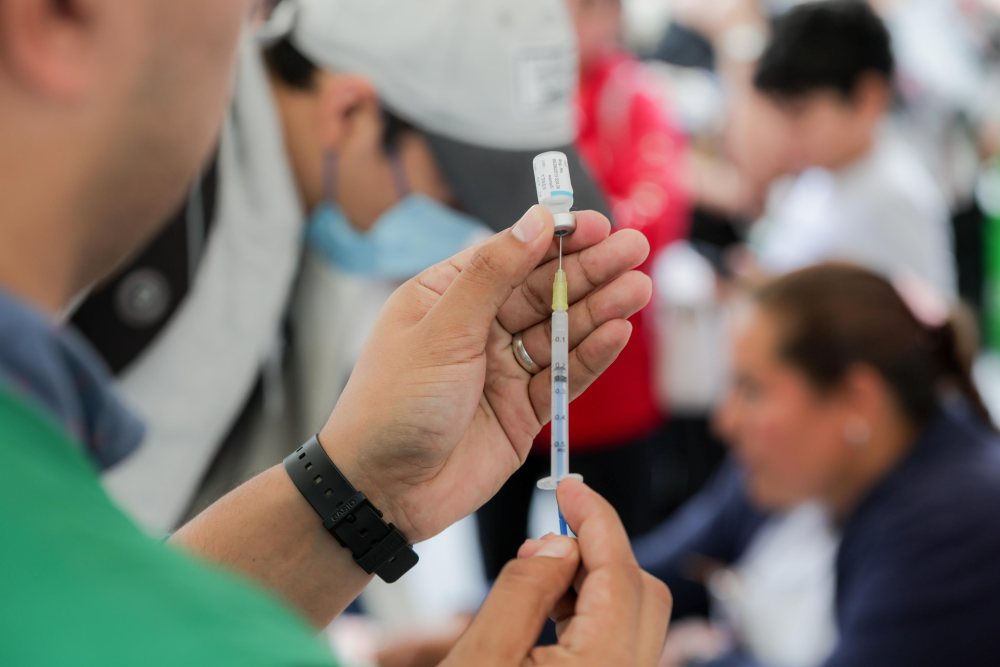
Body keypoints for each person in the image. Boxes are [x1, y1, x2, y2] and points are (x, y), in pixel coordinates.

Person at [0, 1, 670, 664]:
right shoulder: (153, 236)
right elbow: (68, 599)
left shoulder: (300, 230)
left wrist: (363, 493)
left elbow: (119, 609)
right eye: (457, 199)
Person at [74, 0, 610, 533]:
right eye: (454, 200)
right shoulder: (142, 197)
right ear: (348, 112)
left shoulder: (300, 225)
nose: (468, 235)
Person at [635, 263, 1000, 666]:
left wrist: (695, 661)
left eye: (752, 390)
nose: (725, 421)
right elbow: (659, 570)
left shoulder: (955, 525)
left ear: (857, 400)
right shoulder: (784, 467)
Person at [475, 0, 690, 580]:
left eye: (592, 8)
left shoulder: (635, 97)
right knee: (499, 569)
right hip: (505, 379)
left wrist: (554, 244)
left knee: (614, 565)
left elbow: (661, 213)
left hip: (611, 380)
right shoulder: (502, 95)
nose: (571, 23)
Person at [733, 1, 957, 296]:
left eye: (799, 112)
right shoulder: (825, 170)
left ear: (867, 97)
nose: (785, 132)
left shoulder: (894, 201)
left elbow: (912, 330)